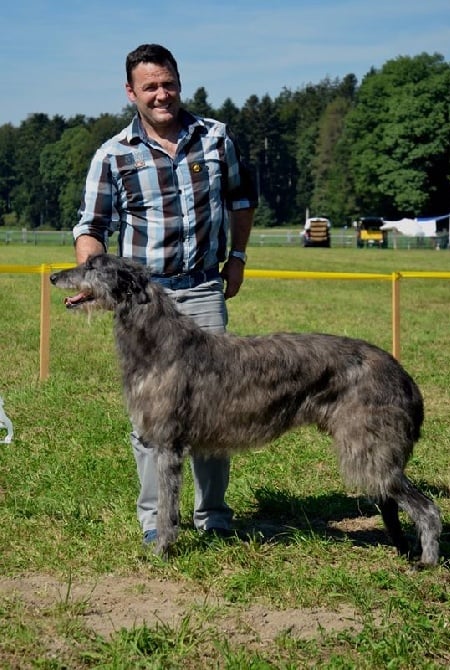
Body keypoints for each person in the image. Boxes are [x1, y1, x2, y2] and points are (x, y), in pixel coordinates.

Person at [73, 43, 258, 545]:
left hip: (201, 288)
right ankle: (158, 522)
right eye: (150, 86)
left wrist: (236, 258)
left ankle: (213, 516)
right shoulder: (113, 154)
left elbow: (242, 199)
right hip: (144, 303)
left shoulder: (216, 138)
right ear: (130, 92)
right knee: (150, 419)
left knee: (213, 408)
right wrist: (92, 274)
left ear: (180, 82)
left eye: (168, 84)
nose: (162, 95)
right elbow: (91, 225)